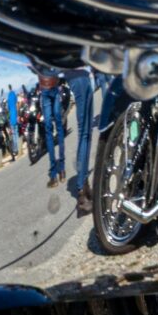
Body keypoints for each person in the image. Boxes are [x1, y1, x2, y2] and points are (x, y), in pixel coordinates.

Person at [32, 63, 66, 187]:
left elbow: (32, 66)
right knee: (59, 127)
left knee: (49, 131)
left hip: (45, 88)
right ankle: (62, 170)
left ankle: (53, 175)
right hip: (54, 86)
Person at [66, 68, 95, 214]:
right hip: (76, 76)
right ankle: (81, 192)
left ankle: (85, 186)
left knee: (87, 133)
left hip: (84, 75)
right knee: (84, 133)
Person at [6, 83, 20, 159]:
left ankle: (15, 149)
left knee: (14, 134)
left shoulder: (8, 96)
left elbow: (8, 108)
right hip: (15, 115)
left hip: (11, 117)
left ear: (8, 88)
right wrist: (18, 114)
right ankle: (18, 148)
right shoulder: (14, 94)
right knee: (16, 133)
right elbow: (17, 104)